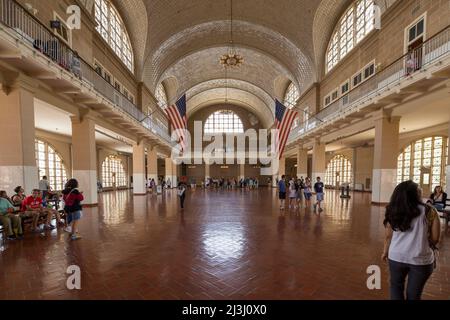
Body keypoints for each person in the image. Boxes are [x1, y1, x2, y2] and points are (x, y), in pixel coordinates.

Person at [382, 181, 440, 300]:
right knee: (414, 295)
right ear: (416, 194)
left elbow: (388, 236)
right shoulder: (430, 211)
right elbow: (435, 239)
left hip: (396, 256)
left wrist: (385, 252)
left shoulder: (393, 210)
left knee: (396, 288)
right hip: (421, 259)